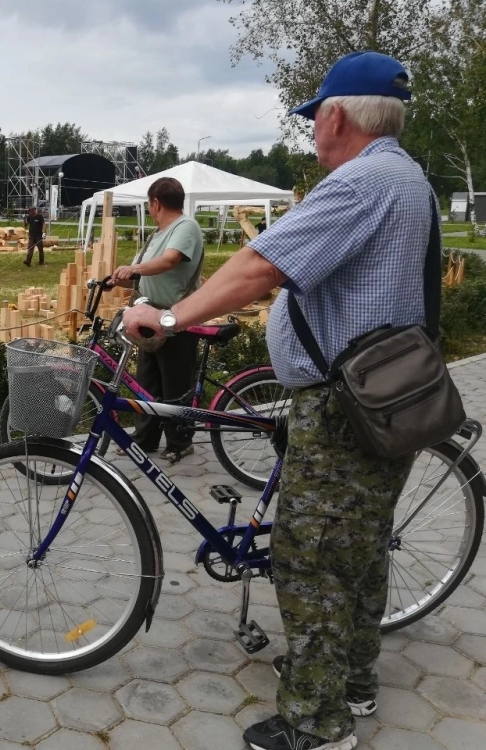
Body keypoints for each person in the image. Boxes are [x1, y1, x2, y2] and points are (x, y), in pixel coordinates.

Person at [123, 51, 427, 750]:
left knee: (311, 555)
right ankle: (352, 681)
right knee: (359, 546)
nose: (312, 134)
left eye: (314, 118)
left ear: (337, 115)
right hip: (388, 393)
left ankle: (317, 723)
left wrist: (167, 320)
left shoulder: (358, 183)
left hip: (344, 402)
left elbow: (259, 266)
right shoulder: (406, 176)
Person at [111, 177, 203, 462]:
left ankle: (179, 441)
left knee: (175, 383)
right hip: (149, 316)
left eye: (149, 205)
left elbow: (170, 261)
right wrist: (118, 279)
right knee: (147, 382)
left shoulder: (185, 227)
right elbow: (143, 275)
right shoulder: (157, 235)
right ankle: (145, 438)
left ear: (155, 203)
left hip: (176, 316)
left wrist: (134, 267)